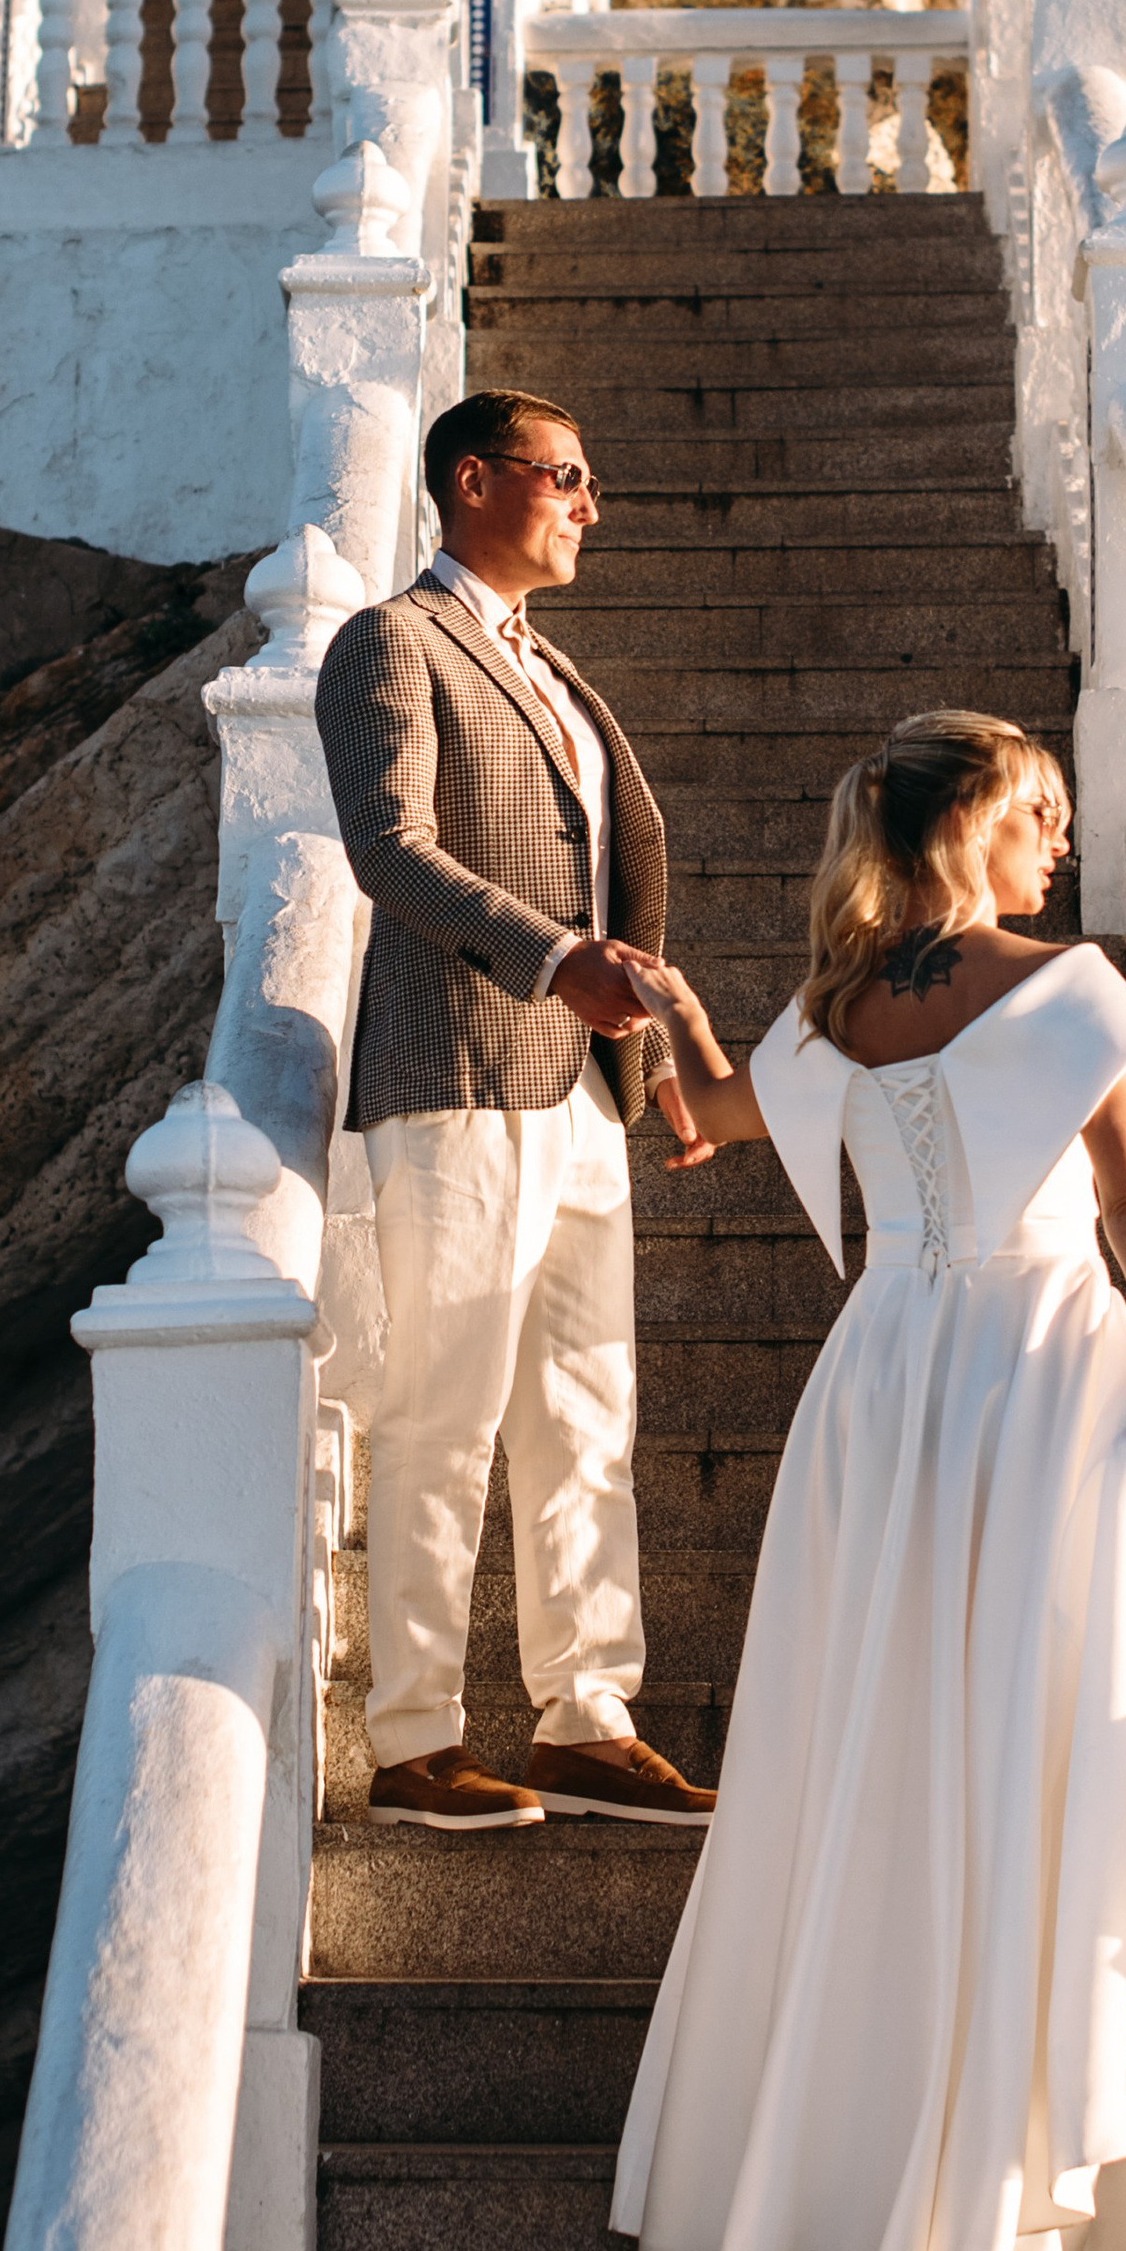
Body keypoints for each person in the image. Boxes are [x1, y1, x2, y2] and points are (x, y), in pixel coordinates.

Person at [608, 709, 1126, 2251]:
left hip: (883, 1372)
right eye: (1043, 814)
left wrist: (673, 1010)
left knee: (861, 1745)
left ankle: (826, 2183)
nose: (1062, 846)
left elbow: (696, 1125)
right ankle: (988, 2189)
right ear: (979, 820)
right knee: (1030, 1739)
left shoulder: (831, 1014)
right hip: (1035, 1369)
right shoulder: (1070, 987)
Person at [314, 388, 719, 1836]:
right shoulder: (390, 642)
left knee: (587, 1414)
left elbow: (611, 882)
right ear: (474, 481)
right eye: (566, 476)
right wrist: (555, 960)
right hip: (460, 1076)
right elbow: (390, 849)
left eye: (591, 480)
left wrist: (652, 1067)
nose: (588, 504)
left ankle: (586, 1714)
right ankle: (418, 1735)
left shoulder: (559, 675)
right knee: (448, 1406)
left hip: (582, 1097)